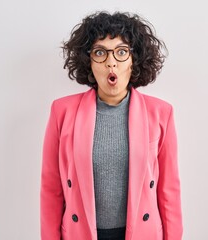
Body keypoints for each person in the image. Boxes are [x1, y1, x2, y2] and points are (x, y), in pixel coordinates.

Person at [40, 11, 183, 240]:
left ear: (134, 59)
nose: (111, 62)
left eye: (121, 51)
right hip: (81, 234)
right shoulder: (62, 112)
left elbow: (169, 192)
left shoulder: (161, 113)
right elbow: (51, 189)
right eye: (100, 52)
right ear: (88, 61)